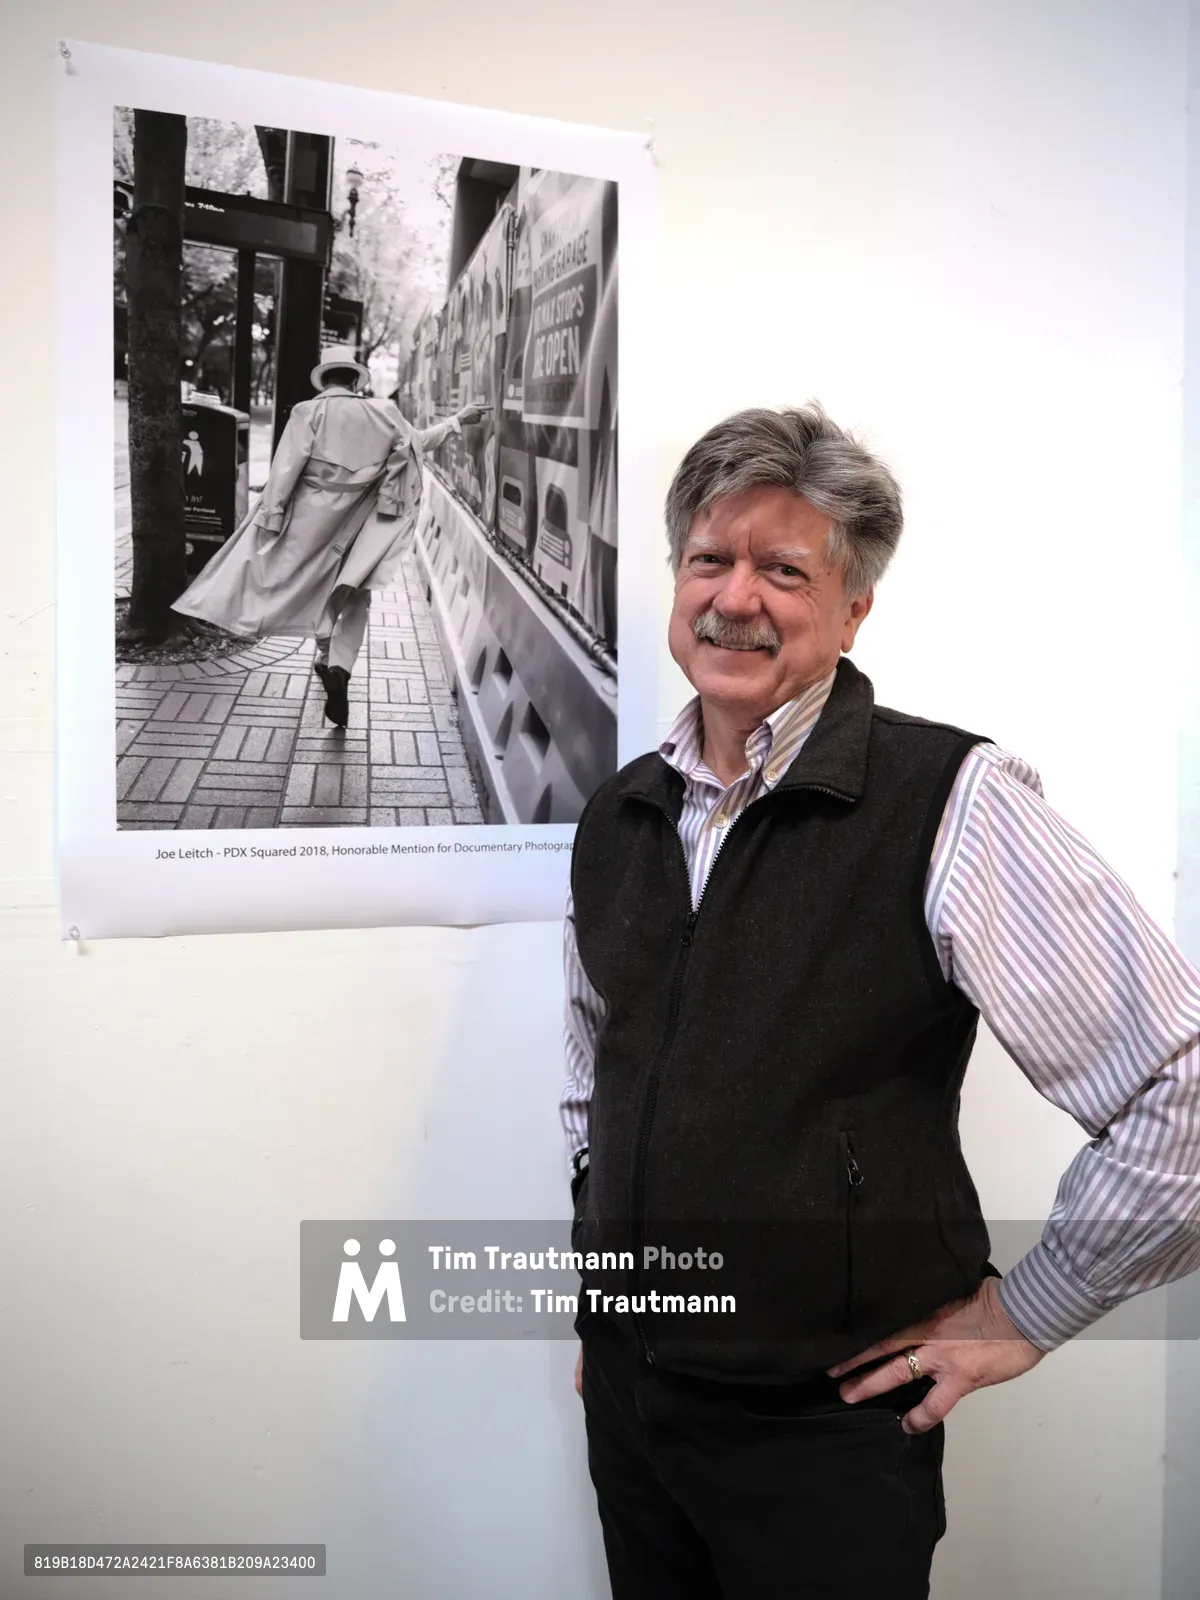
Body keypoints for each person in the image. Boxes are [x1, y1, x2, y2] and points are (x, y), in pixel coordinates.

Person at [561, 404, 1200, 1599]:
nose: (734, 597)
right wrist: (612, 1292)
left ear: (855, 608)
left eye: (783, 569)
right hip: (635, 1406)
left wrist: (1028, 1311)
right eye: (710, 558)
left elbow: (1183, 1084)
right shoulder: (620, 813)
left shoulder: (951, 800)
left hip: (824, 1434)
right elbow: (594, 1065)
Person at [171, 345, 481, 726]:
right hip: (363, 524)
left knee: (317, 590)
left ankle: (325, 657)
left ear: (325, 381)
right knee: (354, 592)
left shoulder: (307, 412)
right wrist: (458, 420)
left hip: (310, 524)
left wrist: (271, 518)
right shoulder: (384, 413)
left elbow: (285, 470)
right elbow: (419, 442)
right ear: (355, 381)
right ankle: (338, 665)